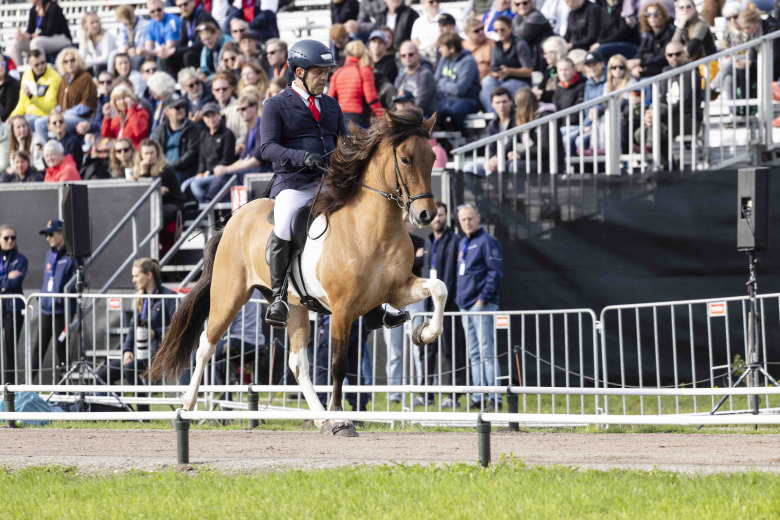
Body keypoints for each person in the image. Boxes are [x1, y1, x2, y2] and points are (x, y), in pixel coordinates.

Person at [259, 39, 407, 329]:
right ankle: (278, 296)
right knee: (286, 220)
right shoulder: (275, 105)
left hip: (329, 183)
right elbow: (267, 148)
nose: (325, 78)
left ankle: (378, 303)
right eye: (319, 72)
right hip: (294, 185)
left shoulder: (330, 105)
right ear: (299, 72)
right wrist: (302, 157)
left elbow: (345, 142)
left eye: (327, 72)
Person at [94, 258, 176, 411]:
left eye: (136, 276)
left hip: (159, 355)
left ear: (149, 275)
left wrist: (155, 333)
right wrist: (127, 350)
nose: (133, 280)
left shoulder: (169, 297)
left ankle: (143, 414)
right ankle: (124, 410)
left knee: (130, 368)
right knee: (101, 375)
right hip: (139, 354)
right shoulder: (140, 299)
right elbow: (132, 329)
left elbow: (177, 328)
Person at [455, 203, 503, 410]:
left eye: (470, 218)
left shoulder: (487, 241)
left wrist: (482, 300)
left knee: (487, 352)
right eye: (463, 219)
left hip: (481, 306)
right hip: (465, 306)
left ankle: (495, 397)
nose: (467, 222)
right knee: (474, 353)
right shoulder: (463, 243)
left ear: (478, 218)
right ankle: (478, 396)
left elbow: (495, 273)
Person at [420, 202, 465, 408]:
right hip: (429, 307)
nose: (437, 219)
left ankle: (452, 394)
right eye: (434, 215)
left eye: (441, 215)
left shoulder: (457, 241)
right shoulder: (427, 243)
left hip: (450, 306)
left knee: (451, 350)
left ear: (447, 216)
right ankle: (427, 393)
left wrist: (452, 299)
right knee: (428, 350)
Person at [635, 41, 703, 164]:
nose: (674, 58)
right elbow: (661, 99)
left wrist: (657, 114)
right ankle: (667, 166)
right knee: (639, 133)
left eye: (677, 54)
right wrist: (651, 114)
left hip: (688, 119)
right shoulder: (666, 72)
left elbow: (685, 102)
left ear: (684, 54)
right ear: (665, 56)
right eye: (670, 55)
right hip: (667, 119)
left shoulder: (691, 72)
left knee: (655, 117)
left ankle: (651, 150)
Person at [32, 218, 77, 381]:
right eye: (46, 235)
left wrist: (60, 297)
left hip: (63, 312)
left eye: (51, 234)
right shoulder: (48, 254)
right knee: (39, 347)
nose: (48, 238)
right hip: (46, 310)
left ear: (61, 234)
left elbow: (78, 281)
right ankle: (26, 385)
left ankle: (63, 387)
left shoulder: (72, 255)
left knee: (61, 348)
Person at [36, 48, 97, 142]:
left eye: (72, 60)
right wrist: (56, 111)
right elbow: (59, 103)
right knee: (39, 123)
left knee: (58, 124)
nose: (69, 63)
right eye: (66, 61)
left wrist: (66, 113)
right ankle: (47, 150)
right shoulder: (64, 79)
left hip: (81, 118)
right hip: (63, 116)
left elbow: (86, 106)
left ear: (78, 61)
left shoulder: (85, 77)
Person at [185, 102, 236, 201]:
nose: (211, 119)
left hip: (221, 174)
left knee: (195, 185)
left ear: (219, 116)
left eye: (213, 115)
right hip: (206, 174)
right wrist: (200, 172)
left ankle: (208, 209)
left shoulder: (227, 134)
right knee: (184, 186)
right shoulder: (204, 134)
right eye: (207, 117)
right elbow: (202, 158)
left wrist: (209, 172)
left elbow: (227, 159)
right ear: (203, 119)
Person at [480, 15, 532, 111]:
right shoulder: (496, 46)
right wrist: (495, 73)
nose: (499, 32)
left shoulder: (520, 44)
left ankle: (500, 115)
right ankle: (494, 113)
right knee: (486, 81)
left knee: (502, 90)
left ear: (510, 28)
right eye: (496, 30)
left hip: (519, 81)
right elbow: (493, 69)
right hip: (501, 79)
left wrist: (510, 71)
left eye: (502, 29)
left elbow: (528, 71)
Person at [328, 40, 384, 128]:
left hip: (341, 121)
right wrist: (383, 118)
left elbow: (330, 99)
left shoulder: (338, 73)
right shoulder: (365, 71)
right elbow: (371, 99)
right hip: (360, 121)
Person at [434, 32, 481, 132]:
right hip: (445, 99)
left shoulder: (468, 61)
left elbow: (459, 90)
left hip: (466, 100)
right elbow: (434, 83)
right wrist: (447, 85)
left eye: (441, 47)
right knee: (429, 110)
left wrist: (442, 82)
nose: (439, 50)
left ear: (451, 48)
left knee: (454, 110)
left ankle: (464, 137)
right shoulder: (444, 59)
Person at [133, 138, 185, 226]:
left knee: (148, 215)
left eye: (151, 153)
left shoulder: (165, 168)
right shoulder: (137, 169)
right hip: (153, 205)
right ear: (141, 155)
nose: (149, 156)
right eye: (146, 153)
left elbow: (148, 191)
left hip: (171, 204)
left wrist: (144, 172)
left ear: (157, 152)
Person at [6, 0, 72, 69]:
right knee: (16, 44)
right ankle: (17, 75)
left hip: (62, 38)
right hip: (45, 39)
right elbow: (30, 30)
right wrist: (22, 36)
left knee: (36, 42)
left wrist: (31, 36)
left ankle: (39, 71)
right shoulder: (33, 10)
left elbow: (50, 31)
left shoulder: (54, 8)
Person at [10, 50, 61, 137]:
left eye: (43, 62)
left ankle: (41, 148)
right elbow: (22, 103)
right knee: (10, 124)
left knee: (24, 125)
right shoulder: (27, 75)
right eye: (36, 65)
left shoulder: (54, 78)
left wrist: (31, 97)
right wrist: (13, 116)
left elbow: (49, 108)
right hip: (28, 114)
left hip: (44, 116)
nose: (41, 66)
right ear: (29, 64)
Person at [151, 95, 200, 184]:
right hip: (162, 168)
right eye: (177, 107)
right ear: (166, 111)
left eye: (183, 106)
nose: (181, 110)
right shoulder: (160, 129)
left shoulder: (193, 127)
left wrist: (171, 166)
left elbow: (192, 152)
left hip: (184, 171)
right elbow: (155, 149)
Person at [0, 224, 27, 384]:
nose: (10, 241)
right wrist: (6, 278)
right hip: (1, 306)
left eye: (13, 238)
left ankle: (8, 387)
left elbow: (16, 281)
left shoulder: (20, 259)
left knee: (10, 349)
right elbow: (9, 281)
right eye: (6, 238)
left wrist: (5, 281)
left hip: (13, 308)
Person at [627, 2, 675, 80]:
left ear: (662, 15)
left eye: (655, 14)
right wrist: (636, 65)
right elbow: (641, 52)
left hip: (662, 69)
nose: (652, 18)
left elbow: (663, 57)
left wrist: (641, 62)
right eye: (648, 15)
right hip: (649, 67)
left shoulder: (670, 31)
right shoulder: (647, 33)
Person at [394, 41, 437, 118]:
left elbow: (420, 106)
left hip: (423, 117)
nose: (407, 57)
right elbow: (394, 104)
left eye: (410, 54)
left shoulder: (425, 75)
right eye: (403, 55)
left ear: (418, 55)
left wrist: (403, 107)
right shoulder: (400, 78)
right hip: (403, 116)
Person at [174, 0, 218, 72]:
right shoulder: (185, 20)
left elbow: (200, 44)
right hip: (202, 51)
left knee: (188, 56)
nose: (183, 7)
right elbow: (182, 42)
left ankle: (196, 81)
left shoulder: (203, 16)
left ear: (193, 2)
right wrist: (171, 51)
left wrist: (175, 51)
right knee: (169, 58)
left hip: (212, 50)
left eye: (185, 4)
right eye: (180, 6)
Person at [512, 0, 555, 72]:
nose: (521, 6)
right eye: (517, 4)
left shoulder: (536, 16)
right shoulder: (518, 18)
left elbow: (522, 37)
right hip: (532, 53)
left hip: (541, 56)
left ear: (531, 3)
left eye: (525, 3)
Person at [144, 0, 182, 74]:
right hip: (161, 51)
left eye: (159, 10)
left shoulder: (172, 21)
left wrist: (145, 52)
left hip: (176, 51)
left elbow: (169, 48)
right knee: (141, 60)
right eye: (152, 11)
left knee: (161, 59)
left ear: (163, 7)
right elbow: (148, 47)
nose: (156, 13)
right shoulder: (150, 24)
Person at [211, 72, 245, 147]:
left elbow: (245, 134)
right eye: (217, 90)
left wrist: (230, 147)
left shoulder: (240, 107)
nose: (221, 92)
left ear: (231, 89)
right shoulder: (211, 110)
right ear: (212, 91)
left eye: (224, 89)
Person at [114, 4, 150, 69]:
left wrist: (134, 50)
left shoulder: (144, 24)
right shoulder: (123, 26)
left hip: (142, 52)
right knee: (113, 55)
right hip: (129, 52)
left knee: (136, 58)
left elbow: (142, 45)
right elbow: (122, 44)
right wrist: (126, 49)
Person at [463, 16, 496, 82]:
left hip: (486, 82)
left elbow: (496, 68)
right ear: (467, 34)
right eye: (476, 31)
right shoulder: (462, 46)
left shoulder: (493, 44)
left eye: (482, 28)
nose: (481, 32)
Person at [0, 58, 21, 124]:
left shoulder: (13, 84)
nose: (1, 67)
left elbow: (9, 111)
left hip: (6, 121)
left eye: (2, 64)